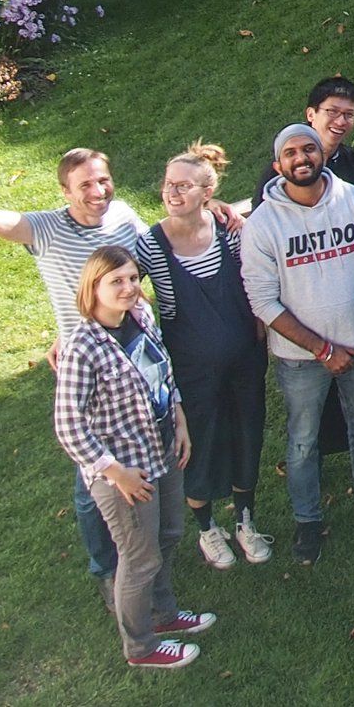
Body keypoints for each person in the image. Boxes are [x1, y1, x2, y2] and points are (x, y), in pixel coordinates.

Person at [0, 139, 151, 602]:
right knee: (93, 469)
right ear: (65, 191)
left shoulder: (123, 216)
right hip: (86, 362)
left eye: (103, 180)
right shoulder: (46, 229)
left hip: (131, 349)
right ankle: (106, 568)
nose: (97, 191)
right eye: (85, 185)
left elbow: (159, 248)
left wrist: (216, 207)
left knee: (137, 445)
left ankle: (143, 548)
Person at [242, 123, 354, 564]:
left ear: (322, 155)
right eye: (291, 153)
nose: (301, 158)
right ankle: (308, 520)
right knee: (302, 441)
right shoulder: (262, 225)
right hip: (300, 359)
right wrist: (322, 349)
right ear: (278, 165)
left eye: (308, 149)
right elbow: (263, 300)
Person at [54, 246, 215, 670]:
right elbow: (69, 426)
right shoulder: (82, 347)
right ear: (93, 288)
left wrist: (180, 420)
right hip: (125, 470)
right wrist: (116, 473)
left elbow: (163, 372)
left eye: (131, 278)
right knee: (139, 558)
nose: (128, 288)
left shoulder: (142, 317)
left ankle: (164, 615)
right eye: (116, 281)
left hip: (162, 448)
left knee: (168, 535)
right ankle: (141, 648)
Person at [133, 143, 269, 571]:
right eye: (168, 185)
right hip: (191, 370)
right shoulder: (150, 245)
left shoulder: (231, 231)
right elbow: (117, 286)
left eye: (184, 186)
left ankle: (245, 520)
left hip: (245, 359)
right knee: (199, 444)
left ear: (207, 193)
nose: (173, 193)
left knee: (247, 433)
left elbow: (255, 277)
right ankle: (207, 527)